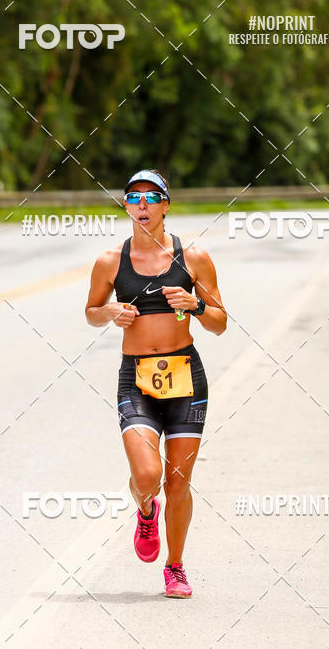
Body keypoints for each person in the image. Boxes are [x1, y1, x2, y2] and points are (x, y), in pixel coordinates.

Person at [85, 169, 227, 598]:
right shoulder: (110, 261)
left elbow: (220, 323)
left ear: (166, 205)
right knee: (147, 476)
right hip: (136, 378)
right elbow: (91, 310)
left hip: (186, 376)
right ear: (126, 206)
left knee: (178, 480)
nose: (142, 205)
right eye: (134, 198)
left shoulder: (194, 258)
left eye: (151, 197)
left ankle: (176, 566)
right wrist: (111, 313)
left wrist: (196, 304)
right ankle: (146, 510)